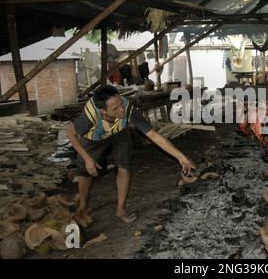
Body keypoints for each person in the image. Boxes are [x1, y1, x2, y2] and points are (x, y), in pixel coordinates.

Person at [67, 85, 196, 223]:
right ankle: (83, 206)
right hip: (93, 137)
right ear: (103, 111)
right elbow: (71, 134)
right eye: (115, 109)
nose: (121, 109)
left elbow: (153, 135)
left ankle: (121, 209)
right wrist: (87, 158)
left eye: (121, 104)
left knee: (124, 167)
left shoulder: (128, 109)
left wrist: (181, 157)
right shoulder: (90, 115)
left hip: (119, 132)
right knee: (85, 171)